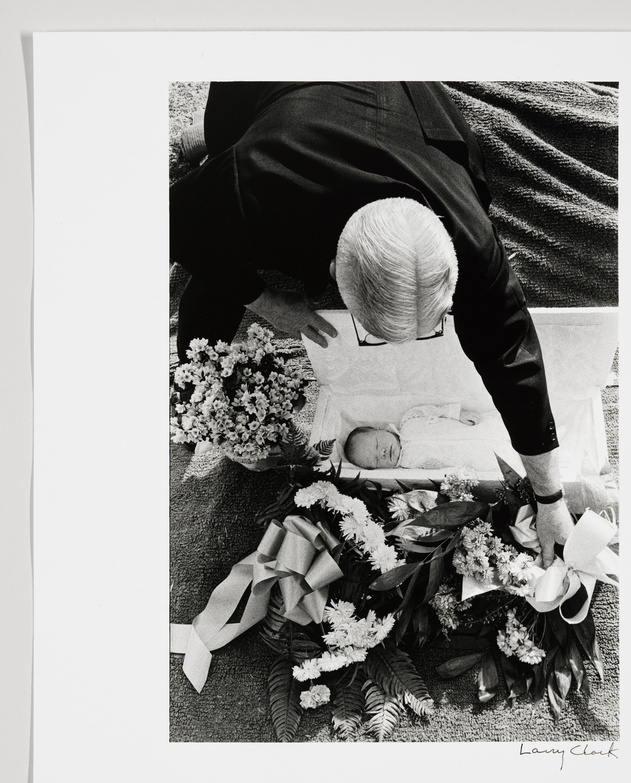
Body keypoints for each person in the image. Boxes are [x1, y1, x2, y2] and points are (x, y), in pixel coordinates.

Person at [169, 81, 573, 563]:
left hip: (398, 96)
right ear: (335, 273)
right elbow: (176, 224)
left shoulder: (470, 235)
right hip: (274, 82)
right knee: (213, 280)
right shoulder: (255, 180)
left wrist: (551, 497)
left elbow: (513, 359)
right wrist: (266, 299)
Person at [343, 406, 506, 472]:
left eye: (378, 444)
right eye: (377, 460)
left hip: (469, 428)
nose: (383, 453)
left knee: (499, 426)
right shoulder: (408, 467)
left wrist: (457, 414)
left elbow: (435, 410)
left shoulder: (409, 420)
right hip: (470, 457)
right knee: (498, 459)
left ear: (380, 429)